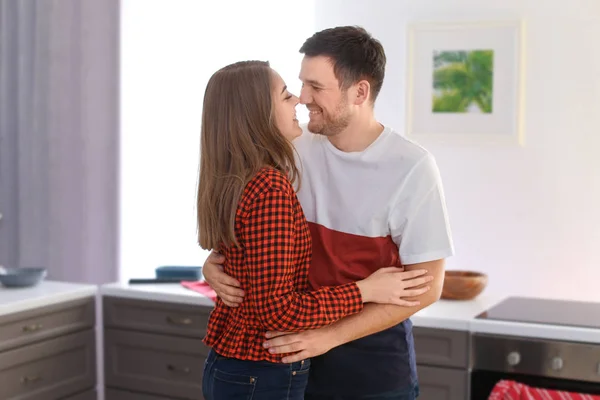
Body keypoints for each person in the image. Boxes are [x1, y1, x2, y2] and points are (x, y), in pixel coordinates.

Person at [201, 27, 455, 400]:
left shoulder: (412, 167)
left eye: (316, 87)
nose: (303, 99)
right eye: (301, 84)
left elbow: (427, 287)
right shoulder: (292, 146)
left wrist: (329, 337)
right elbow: (252, 234)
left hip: (371, 372)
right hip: (291, 364)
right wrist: (215, 264)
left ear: (360, 92)